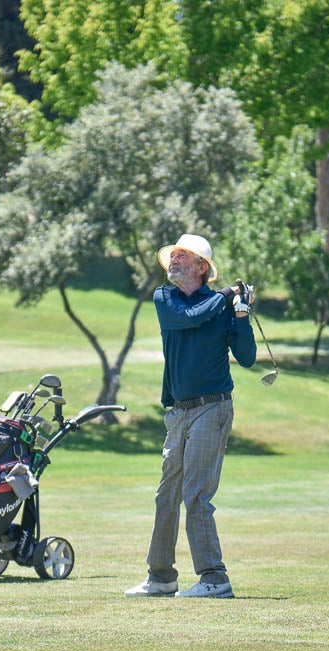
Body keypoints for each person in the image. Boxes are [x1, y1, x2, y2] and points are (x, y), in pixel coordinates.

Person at [124, 233, 256, 599]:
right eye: (173, 255)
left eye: (184, 256)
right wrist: (227, 297)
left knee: (195, 493)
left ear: (202, 268)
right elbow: (190, 318)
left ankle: (215, 578)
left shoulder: (220, 304)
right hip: (178, 413)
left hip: (213, 407)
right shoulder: (165, 298)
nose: (174, 261)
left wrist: (241, 314)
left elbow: (246, 357)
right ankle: (161, 575)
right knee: (167, 495)